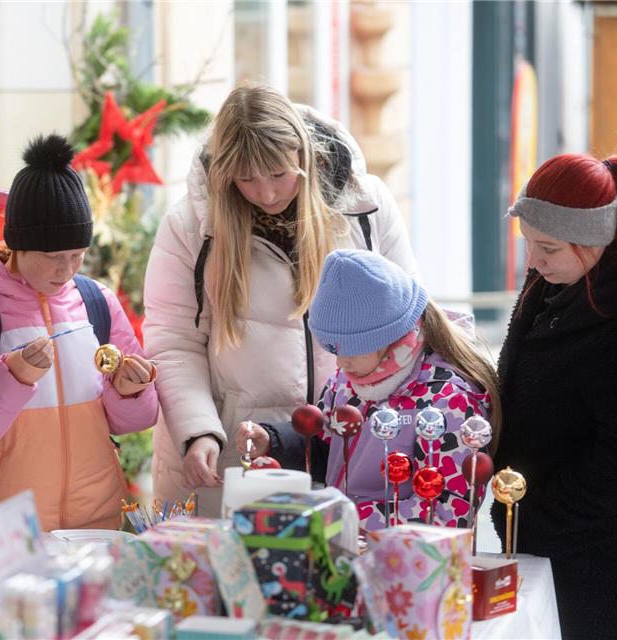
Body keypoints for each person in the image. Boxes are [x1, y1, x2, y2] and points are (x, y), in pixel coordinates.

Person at [143, 83, 419, 516]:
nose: (267, 193)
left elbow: (409, 321)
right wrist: (197, 432)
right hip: (235, 458)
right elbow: (173, 342)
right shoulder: (190, 227)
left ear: (303, 156)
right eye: (247, 179)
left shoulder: (366, 207)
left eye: (278, 174)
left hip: (348, 449)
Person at [0, 134, 158, 530]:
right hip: (5, 536)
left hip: (95, 526)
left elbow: (135, 420)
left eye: (76, 256)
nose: (65, 271)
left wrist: (132, 391)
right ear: (18, 244)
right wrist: (13, 377)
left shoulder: (96, 302)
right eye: (51, 257)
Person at [493, 153, 617, 638]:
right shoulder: (557, 280)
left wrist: (541, 519)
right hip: (553, 546)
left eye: (546, 246)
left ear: (595, 241)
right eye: (527, 244)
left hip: (611, 567)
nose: (533, 260)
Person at [238, 250, 499, 530]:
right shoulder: (350, 380)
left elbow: (448, 511)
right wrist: (274, 441)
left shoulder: (447, 402)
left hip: (413, 562)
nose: (340, 362)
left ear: (390, 335)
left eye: (351, 349)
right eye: (332, 349)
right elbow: (329, 449)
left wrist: (339, 519)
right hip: (347, 551)